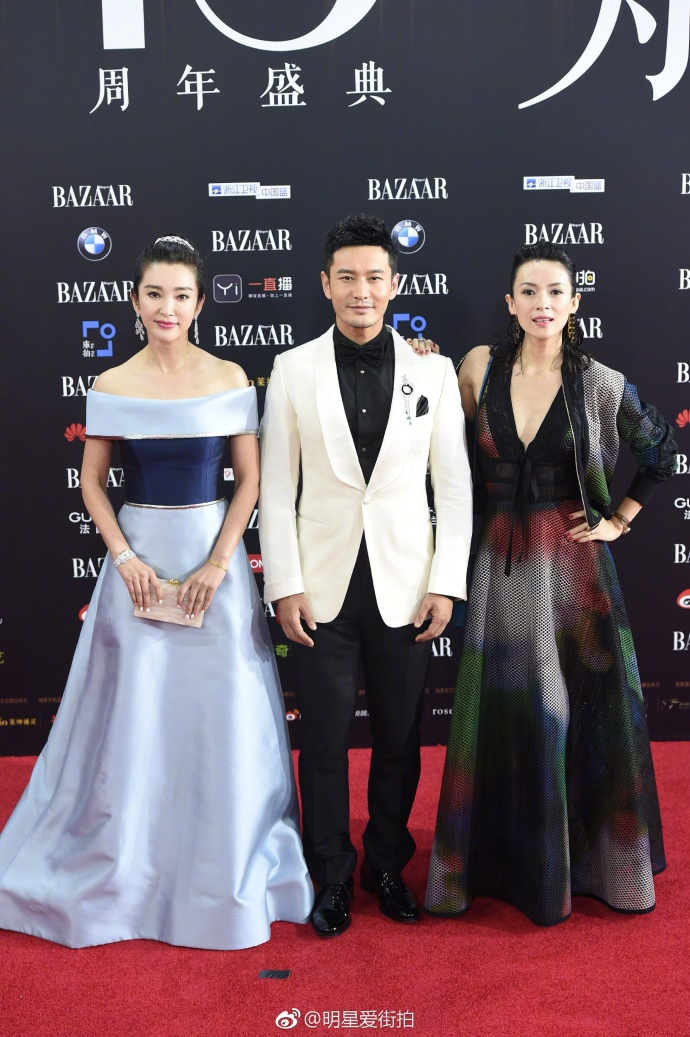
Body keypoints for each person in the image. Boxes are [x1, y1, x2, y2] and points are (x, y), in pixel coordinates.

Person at [0, 235, 313, 949]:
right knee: (135, 713)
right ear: (135, 301)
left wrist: (219, 564)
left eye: (181, 295)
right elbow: (91, 482)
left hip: (213, 565)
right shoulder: (112, 384)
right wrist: (123, 556)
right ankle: (130, 864)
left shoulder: (229, 376)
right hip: (136, 563)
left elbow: (250, 481)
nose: (167, 307)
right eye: (154, 294)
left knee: (218, 714)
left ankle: (221, 864)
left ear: (199, 304)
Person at [425, 241, 677, 927]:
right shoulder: (478, 366)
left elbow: (661, 452)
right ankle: (506, 861)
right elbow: (433, 430)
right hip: (497, 565)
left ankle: (580, 864)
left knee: (570, 714)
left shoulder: (599, 382)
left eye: (555, 292)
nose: (542, 304)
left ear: (574, 302)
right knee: (507, 712)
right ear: (510, 302)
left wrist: (618, 519)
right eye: (529, 292)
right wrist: (421, 364)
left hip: (572, 573)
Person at [258, 214, 473, 937]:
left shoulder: (432, 372)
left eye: (374, 277)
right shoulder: (292, 370)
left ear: (394, 284)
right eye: (347, 277)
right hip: (319, 587)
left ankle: (386, 864)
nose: (361, 290)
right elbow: (276, 488)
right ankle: (329, 875)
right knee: (322, 740)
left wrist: (445, 581)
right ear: (325, 284)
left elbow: (453, 486)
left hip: (406, 586)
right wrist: (284, 583)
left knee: (400, 739)